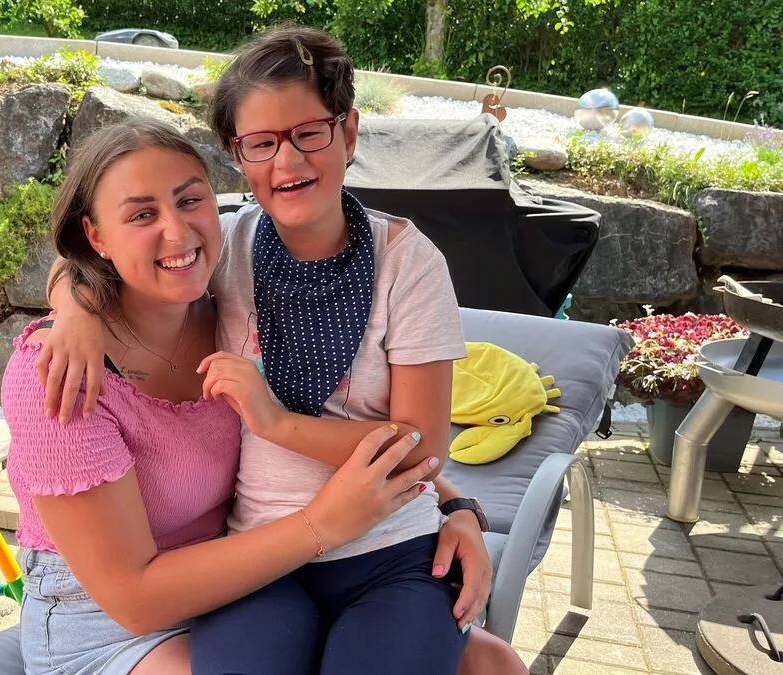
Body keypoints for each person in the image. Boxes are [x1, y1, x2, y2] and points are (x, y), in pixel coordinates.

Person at [38, 25, 529, 675]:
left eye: (309, 133)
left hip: (391, 554)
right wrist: (73, 310)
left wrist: (275, 421)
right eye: (262, 143)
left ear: (348, 132)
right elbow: (109, 254)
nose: (288, 162)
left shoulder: (407, 264)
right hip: (262, 558)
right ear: (239, 156)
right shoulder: (229, 247)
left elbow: (418, 447)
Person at [2, 117, 439, 675]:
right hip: (108, 620)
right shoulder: (57, 375)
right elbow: (135, 600)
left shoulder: (232, 306)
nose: (178, 232)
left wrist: (454, 510)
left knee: (487, 661)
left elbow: (367, 427)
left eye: (190, 201)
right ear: (97, 237)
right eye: (142, 215)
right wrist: (323, 524)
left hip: (247, 588)